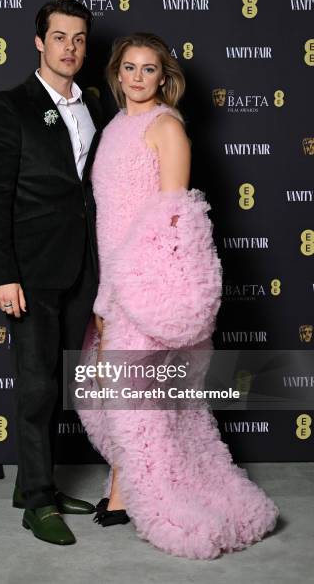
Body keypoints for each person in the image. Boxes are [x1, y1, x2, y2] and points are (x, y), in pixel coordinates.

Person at [76, 32, 279, 559]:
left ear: (164, 77)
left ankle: (139, 496)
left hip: (147, 285)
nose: (139, 78)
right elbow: (111, 219)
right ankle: (123, 487)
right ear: (117, 74)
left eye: (150, 70)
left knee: (141, 399)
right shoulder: (117, 126)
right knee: (116, 396)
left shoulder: (168, 128)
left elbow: (173, 221)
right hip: (113, 281)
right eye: (130, 68)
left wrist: (129, 290)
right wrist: (105, 291)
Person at [0, 0, 102, 546]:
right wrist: (4, 275)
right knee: (35, 388)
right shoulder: (9, 105)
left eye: (78, 38)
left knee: (58, 382)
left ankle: (34, 482)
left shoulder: (94, 103)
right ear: (38, 42)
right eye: (59, 38)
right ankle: (38, 503)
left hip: (81, 267)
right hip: (30, 271)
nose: (69, 48)